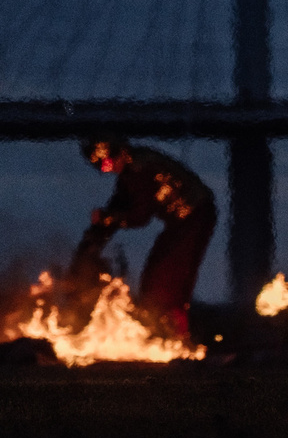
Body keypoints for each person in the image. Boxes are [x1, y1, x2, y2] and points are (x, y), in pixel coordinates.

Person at [76, 135, 217, 341]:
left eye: (106, 163)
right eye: (100, 167)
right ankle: (169, 333)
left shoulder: (140, 170)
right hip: (182, 221)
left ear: (119, 152)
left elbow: (139, 216)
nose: (106, 170)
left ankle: (174, 336)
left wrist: (107, 218)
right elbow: (120, 205)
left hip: (194, 216)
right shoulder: (130, 173)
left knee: (164, 279)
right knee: (156, 275)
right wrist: (96, 236)